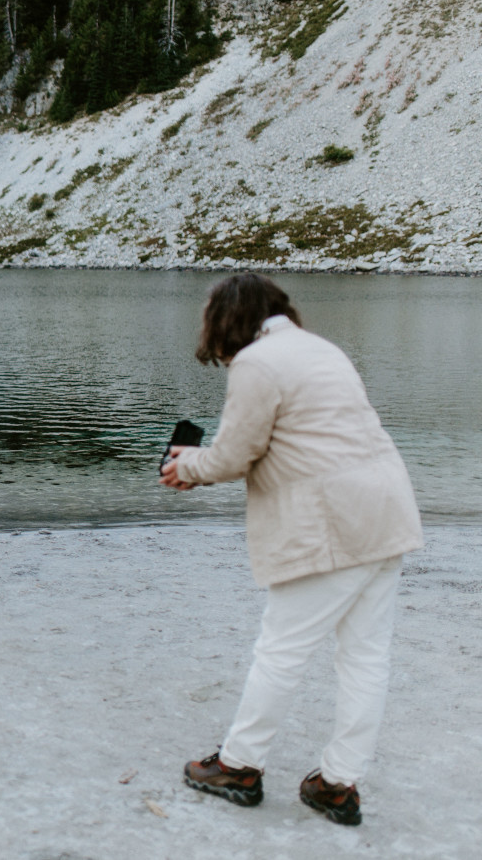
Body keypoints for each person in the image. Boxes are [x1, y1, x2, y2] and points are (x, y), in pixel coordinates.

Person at [159, 273, 422, 827]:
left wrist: (186, 467)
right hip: (386, 510)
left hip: (331, 523)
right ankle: (338, 783)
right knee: (365, 657)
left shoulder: (259, 361)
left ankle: (239, 766)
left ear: (226, 319)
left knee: (281, 649)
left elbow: (235, 453)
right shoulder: (318, 347)